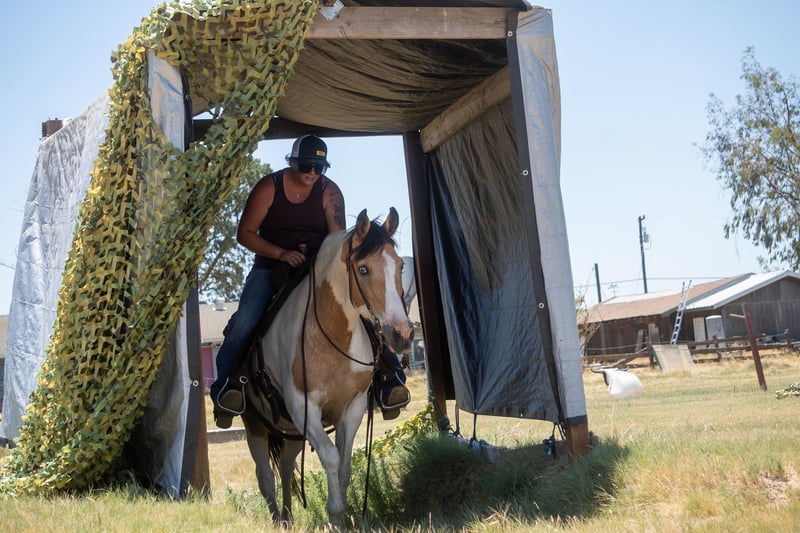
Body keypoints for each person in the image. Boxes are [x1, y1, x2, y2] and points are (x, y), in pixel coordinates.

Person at [210, 134, 409, 428]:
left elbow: (336, 239)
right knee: (246, 320)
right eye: (306, 165)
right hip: (270, 267)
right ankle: (228, 388)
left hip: (317, 268)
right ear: (292, 162)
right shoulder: (269, 187)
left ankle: (389, 378)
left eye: (320, 167)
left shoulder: (330, 192)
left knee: (361, 309)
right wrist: (281, 253)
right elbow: (245, 234)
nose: (313, 172)